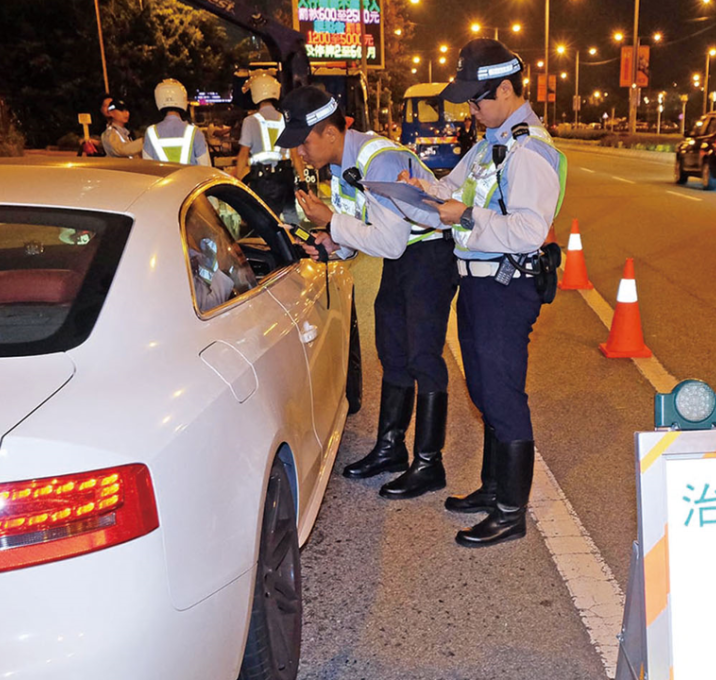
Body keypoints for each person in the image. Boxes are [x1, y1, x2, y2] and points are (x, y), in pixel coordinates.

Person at [408, 39, 567, 547]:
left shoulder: (528, 150)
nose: (470, 111)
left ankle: (510, 512)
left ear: (504, 90)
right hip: (477, 283)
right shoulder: (488, 144)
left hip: (506, 286)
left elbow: (528, 230)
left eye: (476, 101)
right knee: (482, 391)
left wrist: (467, 216)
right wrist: (421, 188)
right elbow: (452, 189)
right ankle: (493, 488)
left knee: (501, 395)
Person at [276, 85, 458, 501]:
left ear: (330, 133)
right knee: (392, 349)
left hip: (429, 255)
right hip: (404, 259)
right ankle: (391, 448)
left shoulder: (378, 161)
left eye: (304, 141)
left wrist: (332, 222)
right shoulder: (342, 167)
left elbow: (390, 241)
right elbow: (364, 233)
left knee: (423, 356)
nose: (300, 151)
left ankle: (429, 463)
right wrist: (330, 242)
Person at [235, 71, 304, 225]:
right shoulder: (285, 120)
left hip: (262, 181)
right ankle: (297, 239)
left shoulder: (250, 121)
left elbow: (243, 154)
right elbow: (295, 154)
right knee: (291, 217)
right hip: (286, 178)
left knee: (265, 222)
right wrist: (303, 180)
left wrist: (237, 181)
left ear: (255, 93)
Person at [142, 79, 210, 166]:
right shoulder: (195, 132)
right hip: (190, 175)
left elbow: (148, 167)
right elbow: (206, 167)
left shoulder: (150, 133)